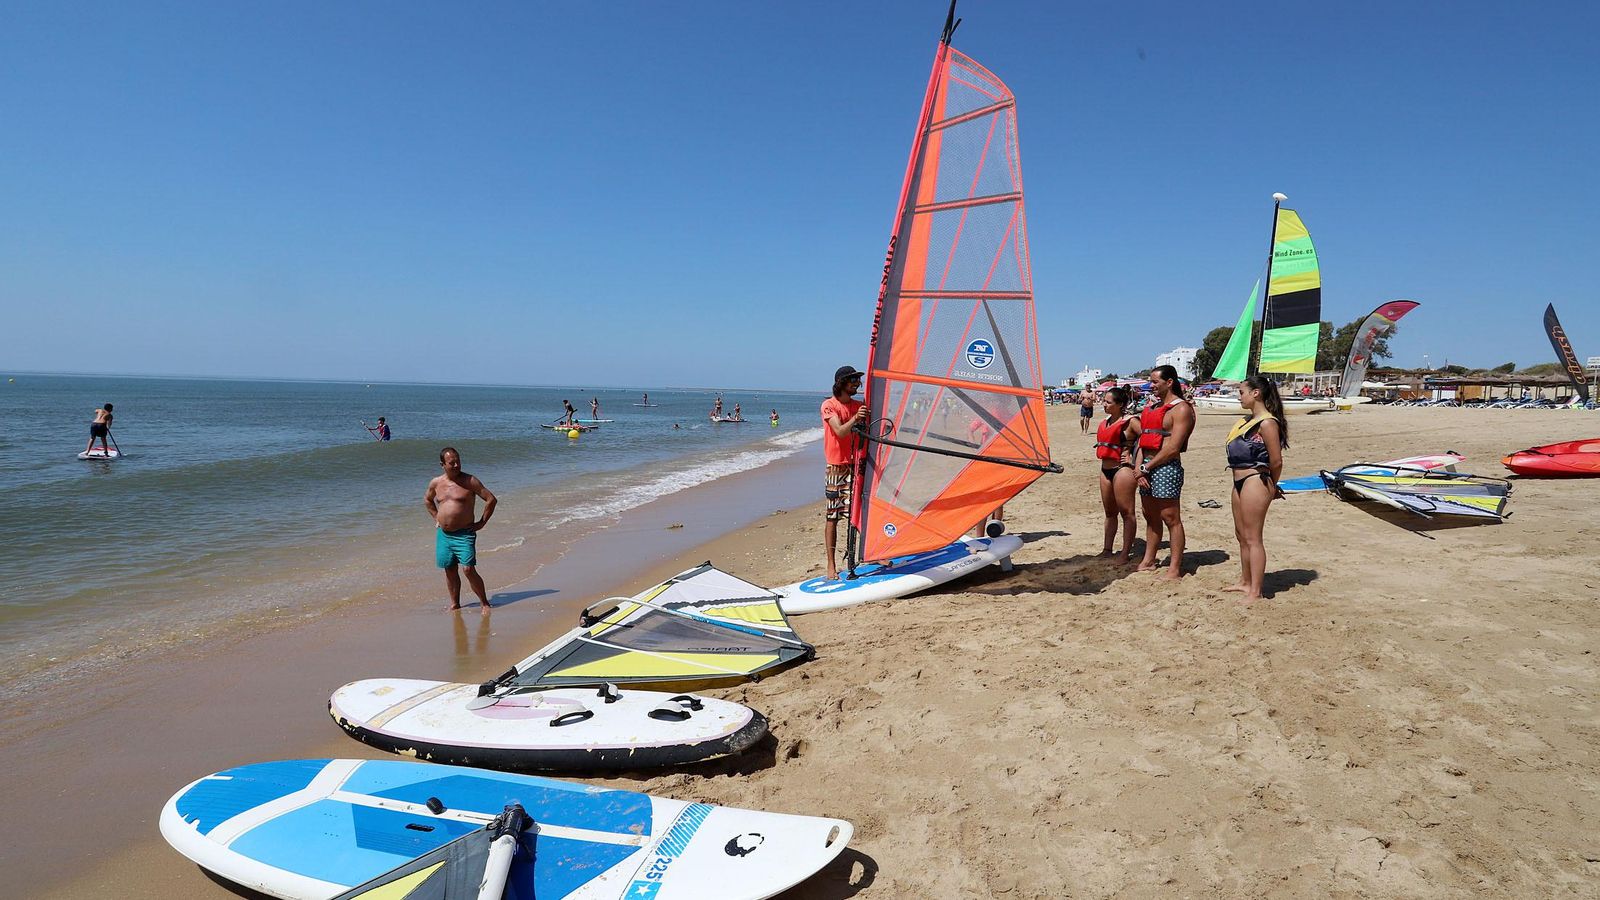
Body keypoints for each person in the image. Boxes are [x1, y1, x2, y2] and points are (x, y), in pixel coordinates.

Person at [1226, 375, 1287, 604]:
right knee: (1241, 535)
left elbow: (1276, 461)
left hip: (1255, 480)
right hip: (1238, 480)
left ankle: (1256, 590)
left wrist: (1272, 485)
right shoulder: (1246, 421)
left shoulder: (1267, 423)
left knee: (1253, 538)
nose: (1238, 396)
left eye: (1241, 392)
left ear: (1256, 393)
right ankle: (1245, 581)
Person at [1134, 365, 1194, 579]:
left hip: (1166, 467)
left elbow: (1173, 447)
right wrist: (1139, 469)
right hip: (1146, 467)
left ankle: (1175, 568)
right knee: (1150, 516)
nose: (1151, 386)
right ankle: (1149, 560)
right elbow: (1143, 442)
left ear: (1169, 382)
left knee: (1170, 517)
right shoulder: (1151, 409)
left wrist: (1146, 467)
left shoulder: (1181, 409)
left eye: (1155, 382)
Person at [424, 447, 497, 613]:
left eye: (458, 461)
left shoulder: (470, 481)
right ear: (442, 464)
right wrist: (437, 517)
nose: (457, 465)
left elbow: (491, 500)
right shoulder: (436, 483)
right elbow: (428, 500)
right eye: (452, 463)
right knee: (449, 569)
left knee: (468, 569)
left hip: (464, 534)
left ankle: (484, 602)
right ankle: (455, 603)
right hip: (444, 534)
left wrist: (481, 523)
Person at [822, 365, 869, 580]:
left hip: (857, 464)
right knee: (833, 515)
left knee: (859, 512)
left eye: (858, 380)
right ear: (841, 383)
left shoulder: (861, 406)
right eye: (852, 380)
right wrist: (856, 418)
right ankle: (831, 566)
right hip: (836, 466)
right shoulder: (828, 406)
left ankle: (868, 554)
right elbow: (840, 431)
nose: (857, 384)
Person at [1094, 387, 1138, 561]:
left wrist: (1133, 460)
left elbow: (1149, 441)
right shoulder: (1106, 422)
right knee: (1109, 513)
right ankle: (1107, 549)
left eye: (1108, 402)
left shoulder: (1131, 422)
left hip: (1122, 471)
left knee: (1127, 513)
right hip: (1105, 470)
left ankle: (1125, 552)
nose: (1104, 404)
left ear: (1120, 404)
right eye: (1104, 401)